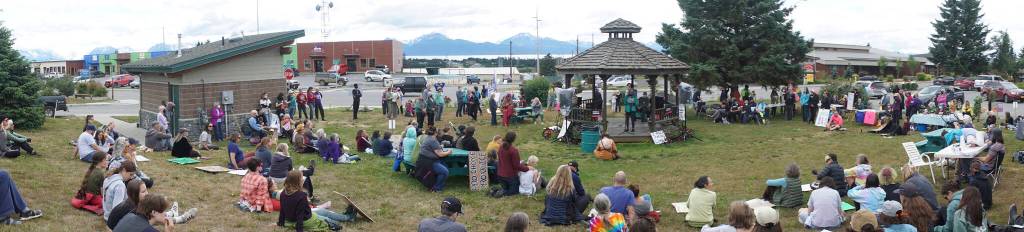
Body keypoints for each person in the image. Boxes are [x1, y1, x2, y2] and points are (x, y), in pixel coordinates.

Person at [107, 179, 196, 230]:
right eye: (143, 191)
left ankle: (173, 213)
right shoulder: (131, 210)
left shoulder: (131, 213)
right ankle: (180, 218)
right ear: (135, 194)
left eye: (146, 190)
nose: (147, 193)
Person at [277, 171, 350, 232]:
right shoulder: (301, 196)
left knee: (323, 212)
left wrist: (280, 223)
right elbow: (300, 216)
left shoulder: (283, 193)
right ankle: (348, 217)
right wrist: (299, 230)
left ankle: (346, 216)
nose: (303, 180)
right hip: (306, 219)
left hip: (303, 215)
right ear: (297, 181)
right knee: (332, 222)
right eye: (301, 178)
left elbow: (282, 210)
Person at [417, 127, 452, 192]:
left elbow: (434, 148)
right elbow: (440, 154)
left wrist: (440, 147)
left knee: (444, 165)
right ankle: (436, 188)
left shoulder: (427, 138)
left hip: (423, 160)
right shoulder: (432, 140)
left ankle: (439, 184)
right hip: (428, 162)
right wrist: (449, 152)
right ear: (435, 133)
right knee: (444, 172)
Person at [496, 131, 530, 196]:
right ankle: (499, 193)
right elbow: (517, 166)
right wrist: (527, 168)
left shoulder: (501, 147)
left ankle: (501, 191)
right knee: (515, 191)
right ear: (513, 139)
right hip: (510, 177)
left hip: (500, 175)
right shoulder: (513, 150)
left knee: (506, 189)